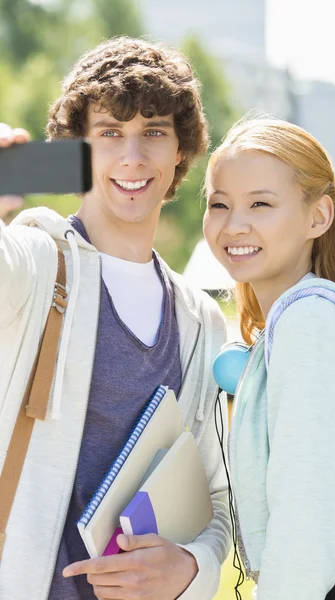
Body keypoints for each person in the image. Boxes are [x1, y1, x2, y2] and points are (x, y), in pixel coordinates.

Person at [0, 36, 230, 600]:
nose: (132, 157)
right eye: (109, 134)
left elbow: (218, 502)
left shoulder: (200, 320)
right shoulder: (34, 262)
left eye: (154, 132)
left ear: (181, 150)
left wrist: (192, 567)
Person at [203, 117, 335, 600]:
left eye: (261, 204)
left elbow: (306, 524)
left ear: (319, 217)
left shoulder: (311, 321)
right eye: (219, 204)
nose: (234, 224)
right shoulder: (324, 314)